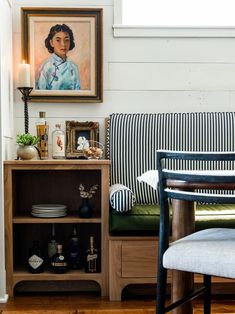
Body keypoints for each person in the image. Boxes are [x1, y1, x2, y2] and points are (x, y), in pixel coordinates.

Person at [36, 24, 80, 90]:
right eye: (58, 40)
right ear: (51, 43)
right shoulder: (46, 67)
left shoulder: (73, 67)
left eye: (66, 40)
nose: (63, 44)